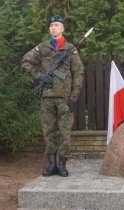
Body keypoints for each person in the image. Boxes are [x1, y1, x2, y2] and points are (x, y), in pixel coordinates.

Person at [22, 15, 84, 177]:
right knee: (49, 132)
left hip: (65, 98)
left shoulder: (70, 49)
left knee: (65, 132)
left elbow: (78, 72)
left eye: (57, 25)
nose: (53, 28)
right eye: (51, 26)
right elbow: (26, 61)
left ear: (62, 28)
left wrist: (74, 95)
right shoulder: (42, 47)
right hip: (47, 97)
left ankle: (62, 163)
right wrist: (40, 76)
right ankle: (51, 164)